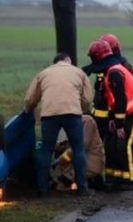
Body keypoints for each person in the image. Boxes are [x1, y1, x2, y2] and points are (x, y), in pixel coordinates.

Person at [24, 53, 93, 196]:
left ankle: (42, 189)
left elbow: (31, 99)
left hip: (49, 115)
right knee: (78, 150)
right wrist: (79, 108)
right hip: (73, 114)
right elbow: (87, 98)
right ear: (68, 60)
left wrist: (28, 110)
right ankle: (82, 188)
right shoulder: (78, 72)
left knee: (46, 151)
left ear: (54, 62)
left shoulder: (44, 73)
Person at [86, 39, 133, 191]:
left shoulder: (114, 72)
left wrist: (119, 123)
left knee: (124, 145)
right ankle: (115, 177)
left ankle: (129, 180)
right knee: (112, 146)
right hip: (124, 112)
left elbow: (121, 99)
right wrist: (113, 118)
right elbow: (113, 100)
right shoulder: (110, 70)